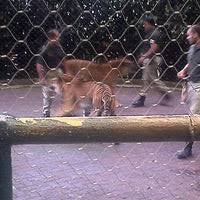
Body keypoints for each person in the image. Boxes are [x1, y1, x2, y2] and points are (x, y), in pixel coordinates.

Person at [132, 15, 171, 107]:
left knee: (147, 78)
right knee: (151, 79)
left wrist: (144, 57)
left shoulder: (155, 33)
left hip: (152, 59)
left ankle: (142, 99)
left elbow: (154, 48)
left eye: (145, 24)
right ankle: (166, 93)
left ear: (150, 24)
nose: (144, 26)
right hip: (150, 58)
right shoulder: (151, 33)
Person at [176, 24, 200, 159]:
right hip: (190, 84)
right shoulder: (192, 48)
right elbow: (191, 62)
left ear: (196, 34)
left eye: (189, 34)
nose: (187, 37)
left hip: (199, 87)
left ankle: (188, 148)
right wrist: (184, 70)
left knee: (192, 118)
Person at [36, 29, 65, 117]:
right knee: (47, 94)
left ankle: (65, 110)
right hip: (48, 73)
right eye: (57, 36)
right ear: (52, 37)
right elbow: (39, 64)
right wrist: (42, 78)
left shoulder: (58, 47)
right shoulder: (45, 48)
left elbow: (63, 60)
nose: (59, 38)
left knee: (65, 92)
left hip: (58, 73)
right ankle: (46, 113)